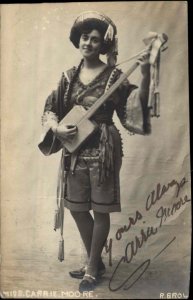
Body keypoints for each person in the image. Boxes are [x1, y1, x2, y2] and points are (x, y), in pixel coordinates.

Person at [38, 11, 152, 292]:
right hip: (74, 150)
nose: (88, 43)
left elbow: (133, 108)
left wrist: (147, 71)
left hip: (103, 149)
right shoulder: (67, 77)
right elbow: (50, 110)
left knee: (100, 211)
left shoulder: (115, 75)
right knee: (76, 208)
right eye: (85, 38)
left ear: (104, 45)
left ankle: (92, 268)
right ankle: (96, 262)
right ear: (78, 40)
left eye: (96, 40)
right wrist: (56, 129)